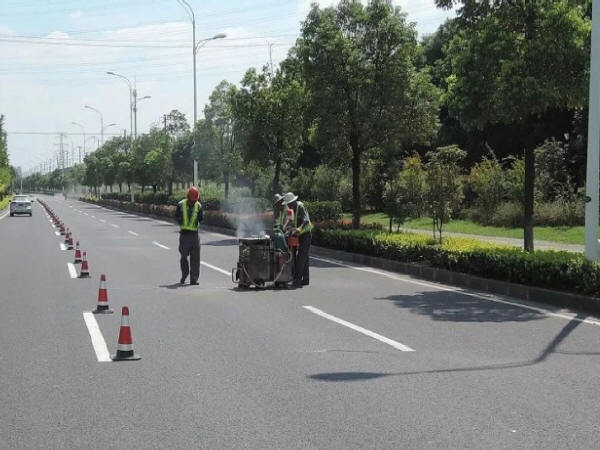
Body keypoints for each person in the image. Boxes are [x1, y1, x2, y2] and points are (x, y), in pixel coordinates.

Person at [282, 192, 313, 288]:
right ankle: (306, 279)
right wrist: (286, 227)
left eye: (289, 203)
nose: (288, 205)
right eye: (287, 204)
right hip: (298, 235)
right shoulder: (290, 209)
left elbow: (306, 220)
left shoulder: (300, 206)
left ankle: (297, 282)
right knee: (304, 258)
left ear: (294, 201)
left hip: (306, 234)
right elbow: (290, 220)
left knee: (300, 258)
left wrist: (299, 229)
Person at [175, 186, 203, 285]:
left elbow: (200, 219)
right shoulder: (180, 204)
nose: (193, 202)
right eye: (192, 200)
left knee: (195, 258)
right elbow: (176, 216)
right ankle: (184, 274)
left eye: (195, 200)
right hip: (184, 235)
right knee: (183, 257)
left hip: (195, 235)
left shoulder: (198, 206)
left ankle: (194, 279)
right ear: (188, 197)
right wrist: (181, 221)